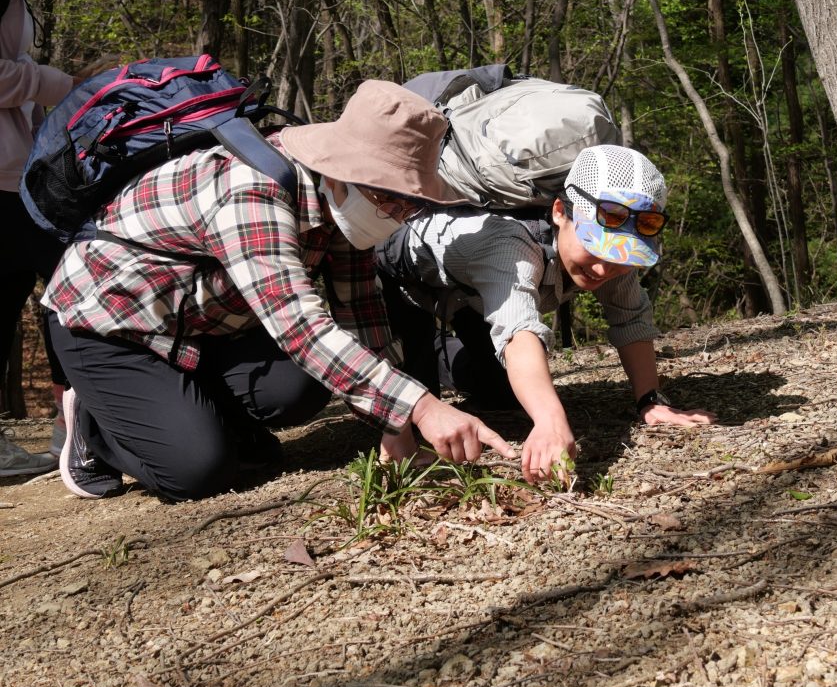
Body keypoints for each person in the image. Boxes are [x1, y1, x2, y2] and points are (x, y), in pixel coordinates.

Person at [41, 79, 515, 501]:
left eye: (408, 201)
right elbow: (300, 327)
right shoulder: (251, 189)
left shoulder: (345, 206)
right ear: (341, 168)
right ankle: (97, 423)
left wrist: (393, 425)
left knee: (303, 387)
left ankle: (189, 415)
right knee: (198, 471)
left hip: (201, 326)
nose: (395, 212)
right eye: (386, 195)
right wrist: (423, 407)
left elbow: (362, 316)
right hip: (109, 322)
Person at [376, 145, 716, 485]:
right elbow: (518, 330)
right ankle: (416, 364)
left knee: (502, 393)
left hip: (471, 293)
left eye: (618, 255)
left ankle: (443, 357)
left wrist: (650, 400)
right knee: (413, 413)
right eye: (594, 246)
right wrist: (551, 421)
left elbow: (629, 318)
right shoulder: (509, 248)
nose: (603, 267)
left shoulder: (613, 258)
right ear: (559, 212)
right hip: (401, 277)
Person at [0, 0, 75, 476]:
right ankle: (76, 424)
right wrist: (55, 83)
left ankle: (75, 422)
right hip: (5, 174)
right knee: (66, 286)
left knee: (64, 287)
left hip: (20, 169)